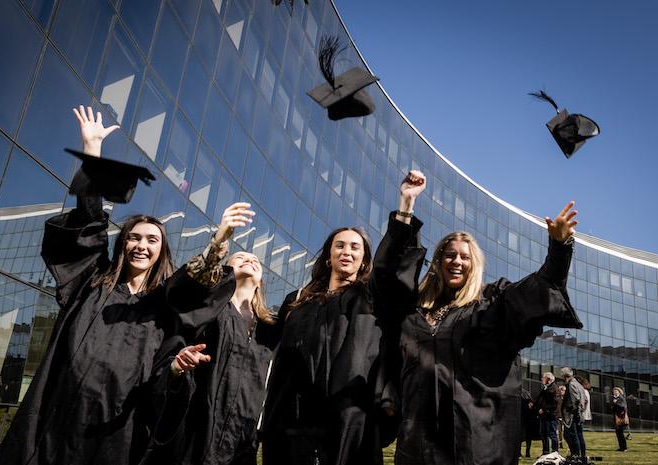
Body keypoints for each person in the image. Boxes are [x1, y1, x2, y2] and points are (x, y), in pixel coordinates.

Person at [0, 106, 248, 465]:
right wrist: (92, 151)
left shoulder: (163, 304)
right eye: (134, 237)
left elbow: (193, 288)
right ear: (123, 243)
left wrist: (219, 239)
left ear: (162, 251)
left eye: (152, 240)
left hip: (118, 431)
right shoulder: (91, 281)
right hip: (57, 418)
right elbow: (87, 223)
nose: (142, 245)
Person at [373, 169, 583, 465]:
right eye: (449, 254)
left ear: (475, 265)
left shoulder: (490, 304)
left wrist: (559, 249)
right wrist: (406, 204)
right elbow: (387, 280)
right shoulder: (414, 311)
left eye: (465, 256)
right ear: (438, 262)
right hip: (418, 443)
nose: (456, 261)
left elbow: (533, 294)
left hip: (477, 442)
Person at [259, 212, 393, 465]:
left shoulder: (370, 300)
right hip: (290, 419)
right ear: (328, 256)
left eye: (355, 247)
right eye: (339, 245)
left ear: (364, 260)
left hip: (345, 419)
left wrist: (405, 206)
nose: (346, 252)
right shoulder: (297, 300)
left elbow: (394, 270)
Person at [142, 248, 281, 465]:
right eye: (241, 258)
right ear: (225, 270)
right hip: (196, 429)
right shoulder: (206, 309)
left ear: (260, 284)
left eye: (255, 260)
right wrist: (177, 366)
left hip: (240, 441)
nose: (250, 260)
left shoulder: (268, 331)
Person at [560, 367, 586, 463]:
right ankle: (582, 455)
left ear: (565, 376)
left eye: (562, 376)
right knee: (579, 435)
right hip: (578, 414)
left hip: (572, 415)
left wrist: (575, 411)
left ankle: (576, 455)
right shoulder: (579, 384)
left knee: (571, 435)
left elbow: (576, 400)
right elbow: (584, 400)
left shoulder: (571, 384)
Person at [537, 372, 560, 456]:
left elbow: (554, 403)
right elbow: (540, 400)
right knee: (544, 434)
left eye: (543, 378)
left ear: (549, 380)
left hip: (551, 415)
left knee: (552, 434)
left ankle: (555, 452)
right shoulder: (545, 388)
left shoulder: (554, 389)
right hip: (545, 415)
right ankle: (545, 452)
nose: (541, 379)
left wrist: (544, 409)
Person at [520, 388, 539, 458]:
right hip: (528, 417)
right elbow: (531, 404)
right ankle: (527, 452)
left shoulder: (519, 393)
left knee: (521, 436)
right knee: (528, 436)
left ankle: (520, 452)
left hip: (522, 417)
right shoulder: (527, 393)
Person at [611, 387, 629, 452]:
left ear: (619, 392)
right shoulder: (614, 399)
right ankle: (621, 447)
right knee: (618, 433)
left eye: (616, 391)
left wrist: (615, 403)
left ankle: (624, 447)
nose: (615, 392)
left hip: (621, 418)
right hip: (616, 417)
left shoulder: (621, 398)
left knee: (621, 433)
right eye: (614, 391)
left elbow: (623, 407)